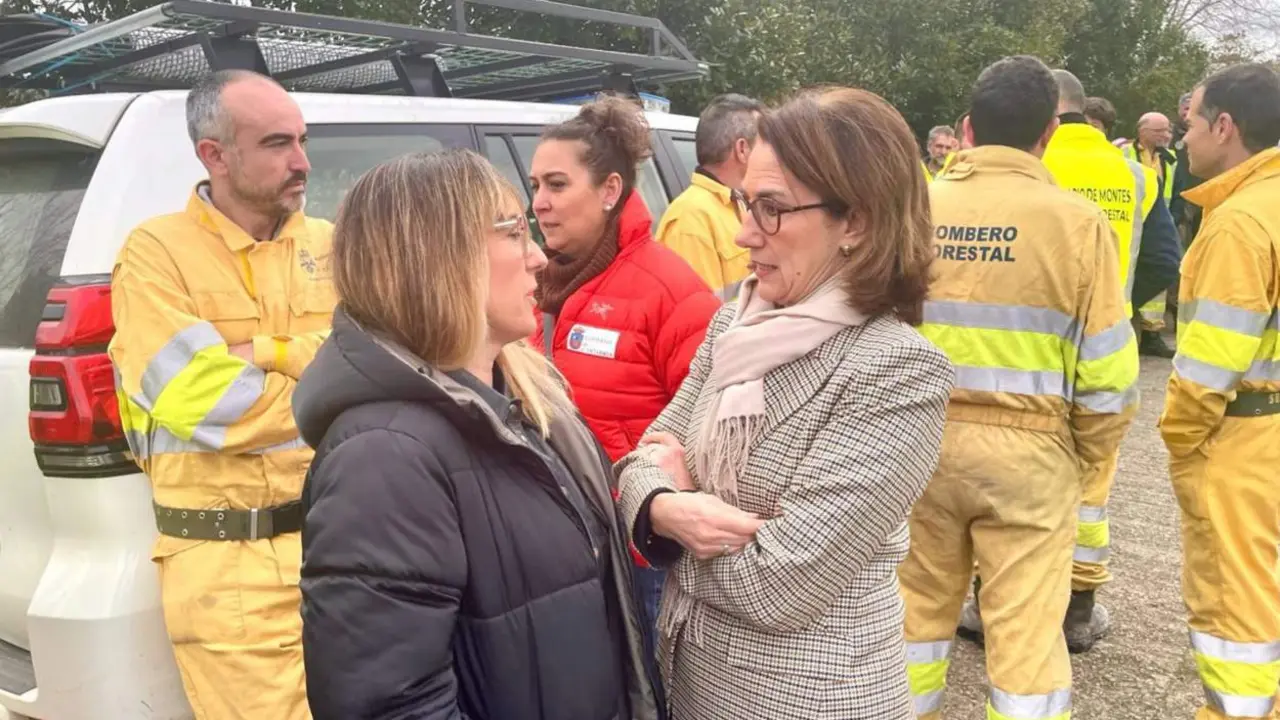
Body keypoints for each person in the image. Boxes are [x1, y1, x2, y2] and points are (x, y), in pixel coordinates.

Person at [617, 86, 954, 719]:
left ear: (855, 220)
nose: (744, 233)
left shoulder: (895, 368)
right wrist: (666, 502)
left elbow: (783, 584)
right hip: (696, 681)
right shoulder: (734, 325)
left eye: (771, 208)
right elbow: (643, 458)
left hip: (805, 702)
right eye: (746, 201)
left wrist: (671, 517)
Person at [293, 149, 660, 720]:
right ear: (436, 256)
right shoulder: (384, 458)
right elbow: (390, 707)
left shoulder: (522, 405)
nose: (539, 257)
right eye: (514, 232)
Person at [900, 56, 1138, 718]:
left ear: (968, 128)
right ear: (1049, 135)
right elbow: (1111, 377)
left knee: (911, 619)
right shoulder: (1078, 224)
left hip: (918, 447)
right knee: (1028, 637)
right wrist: (1083, 456)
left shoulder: (916, 207)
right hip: (1031, 457)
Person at [107, 70, 334, 719]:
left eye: (302, 140)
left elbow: (381, 370)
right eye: (276, 143)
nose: (302, 162)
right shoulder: (156, 254)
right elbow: (208, 406)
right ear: (214, 155)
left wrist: (263, 354)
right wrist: (326, 376)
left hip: (342, 546)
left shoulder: (328, 244)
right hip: (228, 572)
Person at [955, 68, 1182, 654]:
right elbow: (1162, 257)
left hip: (946, 415)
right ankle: (1078, 609)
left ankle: (979, 602)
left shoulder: (935, 198)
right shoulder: (1130, 176)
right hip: (1071, 378)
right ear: (1050, 127)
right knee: (1077, 511)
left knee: (922, 610)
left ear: (969, 128)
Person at [529, 95, 721, 653]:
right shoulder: (533, 284)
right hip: (562, 549)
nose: (538, 202)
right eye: (536, 185)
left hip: (640, 559)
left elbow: (706, 429)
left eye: (557, 185)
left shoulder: (668, 290)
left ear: (610, 191)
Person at [1161, 63, 1280, 720]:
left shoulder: (1240, 222)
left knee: (1235, 615)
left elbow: (1209, 369)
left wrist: (1180, 441)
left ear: (1226, 127)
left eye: (1192, 123)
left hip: (1243, 440)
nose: (1185, 140)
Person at [656, 93, 764, 300]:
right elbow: (697, 316)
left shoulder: (736, 203)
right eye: (763, 144)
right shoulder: (690, 219)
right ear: (742, 149)